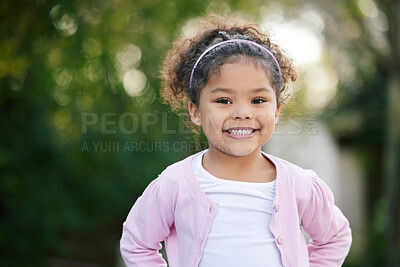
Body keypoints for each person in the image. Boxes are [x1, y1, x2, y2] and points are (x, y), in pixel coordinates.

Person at [120, 14, 352, 267]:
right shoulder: (174, 184)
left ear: (276, 110)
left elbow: (334, 237)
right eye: (224, 101)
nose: (243, 113)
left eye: (258, 100)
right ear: (195, 111)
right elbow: (137, 243)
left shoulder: (299, 184)